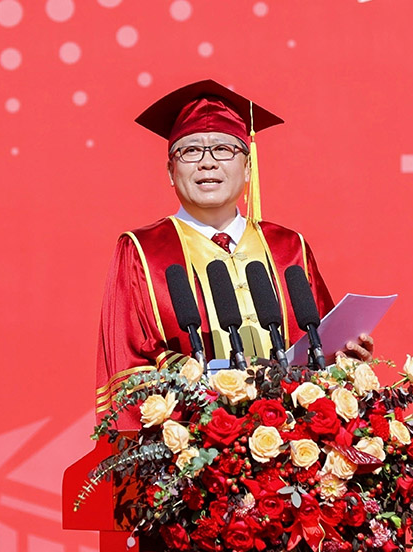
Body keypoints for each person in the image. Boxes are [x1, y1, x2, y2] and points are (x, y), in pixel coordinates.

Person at [95, 80, 373, 429]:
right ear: (170, 172)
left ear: (247, 167)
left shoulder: (289, 248)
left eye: (223, 149)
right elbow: (129, 363)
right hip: (192, 445)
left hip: (291, 439)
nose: (207, 163)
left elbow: (320, 348)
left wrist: (344, 360)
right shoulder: (142, 251)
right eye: (190, 151)